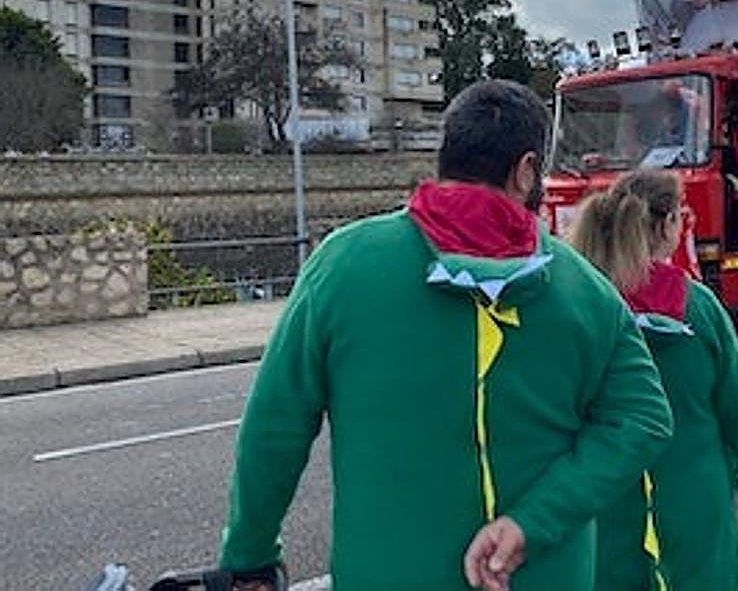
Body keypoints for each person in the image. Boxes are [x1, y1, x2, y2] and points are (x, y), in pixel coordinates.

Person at [218, 80, 674, 591]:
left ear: (446, 155)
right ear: (526, 171)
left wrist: (248, 554)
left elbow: (274, 427)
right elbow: (644, 419)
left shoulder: (343, 264)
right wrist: (533, 522)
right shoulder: (585, 289)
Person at [570, 170, 738, 591]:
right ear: (667, 227)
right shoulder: (698, 307)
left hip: (605, 494)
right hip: (693, 495)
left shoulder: (579, 306)